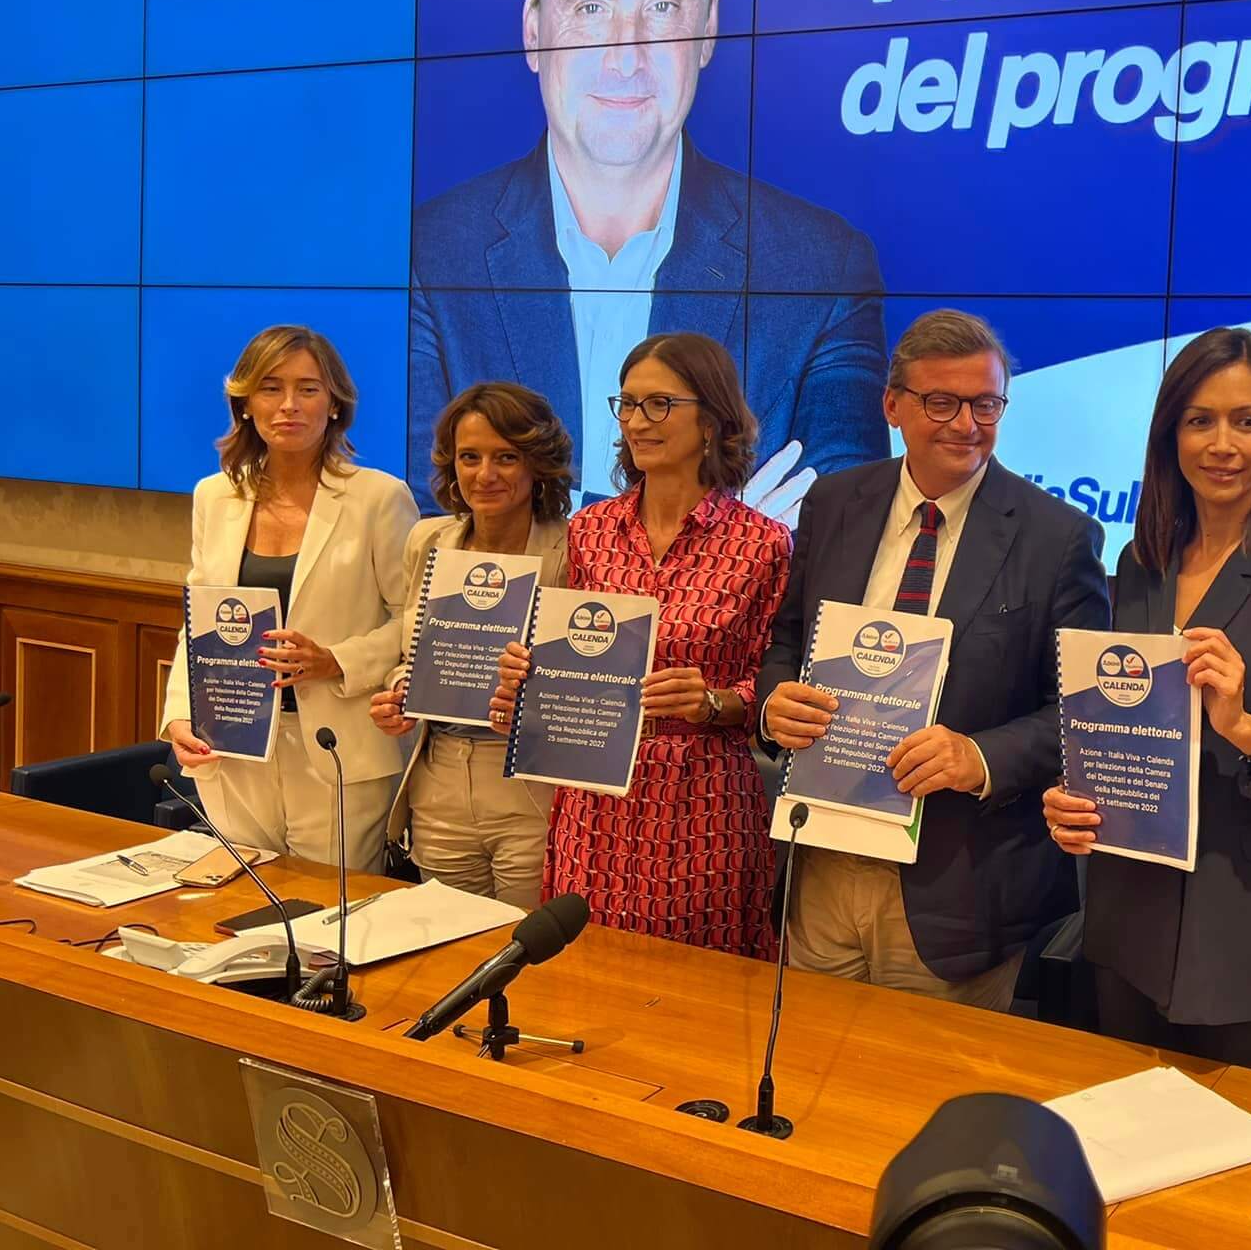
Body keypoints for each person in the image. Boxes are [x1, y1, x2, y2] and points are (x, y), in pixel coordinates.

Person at [411, 0, 887, 522]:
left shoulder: (823, 270)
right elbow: (426, 519)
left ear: (710, 25)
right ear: (533, 28)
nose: (625, 55)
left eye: (663, 5)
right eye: (591, 7)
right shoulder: (425, 254)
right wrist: (720, 533)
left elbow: (838, 528)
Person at [1041, 328, 1251, 1078]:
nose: (1222, 445)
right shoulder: (1139, 564)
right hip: (1128, 934)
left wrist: (1248, 729)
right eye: (1200, 421)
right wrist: (1077, 793)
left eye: (1245, 421)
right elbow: (1119, 726)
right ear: (1171, 433)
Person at [757, 310, 1110, 1010]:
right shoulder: (834, 502)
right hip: (822, 866)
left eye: (986, 404)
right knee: (809, 1067)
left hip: (959, 890)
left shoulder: (1059, 537)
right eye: (942, 402)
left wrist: (980, 757)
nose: (966, 425)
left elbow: (1082, 714)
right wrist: (774, 703)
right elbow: (788, 641)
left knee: (932, 1082)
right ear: (892, 406)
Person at [491, 333, 790, 955]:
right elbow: (569, 654)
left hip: (703, 805)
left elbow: (772, 686)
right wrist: (527, 680)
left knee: (696, 990)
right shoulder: (589, 529)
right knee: (584, 975)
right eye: (627, 404)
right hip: (593, 806)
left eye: (659, 404)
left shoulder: (763, 544)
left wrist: (713, 702)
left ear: (711, 419)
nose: (635, 422)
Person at [160, 326, 418, 871]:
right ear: (245, 403)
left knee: (332, 912)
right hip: (234, 740)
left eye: (308, 389)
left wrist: (335, 660)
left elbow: (413, 620)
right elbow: (198, 619)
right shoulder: (214, 496)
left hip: (337, 746)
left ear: (334, 404)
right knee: (241, 899)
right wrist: (180, 715)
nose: (289, 405)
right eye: (271, 388)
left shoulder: (379, 498)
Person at [370, 383, 573, 909]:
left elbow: (585, 685)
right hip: (438, 777)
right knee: (451, 941)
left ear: (537, 463)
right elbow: (410, 655)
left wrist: (531, 698)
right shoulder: (429, 540)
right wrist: (402, 692)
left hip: (529, 783)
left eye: (506, 457)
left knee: (528, 945)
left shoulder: (570, 550)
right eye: (469, 457)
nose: (485, 475)